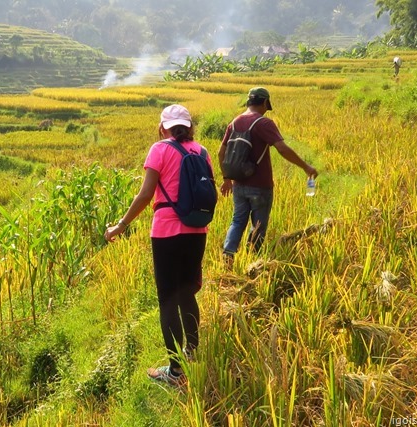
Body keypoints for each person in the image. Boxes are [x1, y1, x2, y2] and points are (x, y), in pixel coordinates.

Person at [104, 104, 212, 387]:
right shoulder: (202, 151)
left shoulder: (159, 149)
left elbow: (145, 195)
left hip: (166, 231)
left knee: (168, 300)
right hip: (198, 230)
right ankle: (192, 353)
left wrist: (121, 225)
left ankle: (175, 373)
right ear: (189, 126)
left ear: (164, 126)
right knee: (188, 293)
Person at [218, 87, 317, 266]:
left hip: (238, 184)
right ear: (265, 102)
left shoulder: (234, 122)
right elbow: (282, 148)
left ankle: (228, 254)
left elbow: (221, 152)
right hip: (260, 185)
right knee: (258, 225)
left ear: (248, 102)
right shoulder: (263, 123)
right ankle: (253, 260)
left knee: (237, 220)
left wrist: (226, 179)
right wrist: (305, 166)